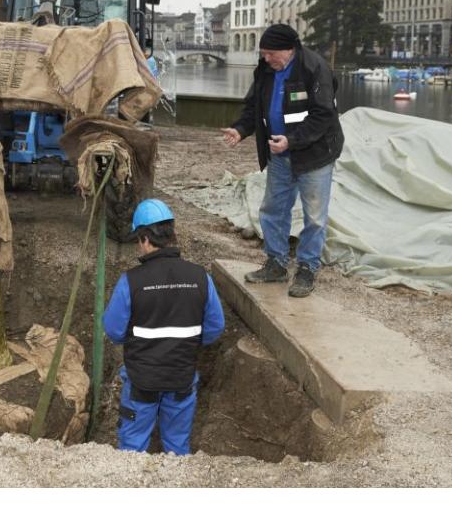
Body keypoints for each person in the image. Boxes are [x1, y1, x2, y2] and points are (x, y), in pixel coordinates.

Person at [222, 24, 344, 298]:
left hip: (315, 155)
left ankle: (307, 268)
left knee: (314, 216)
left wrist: (292, 141)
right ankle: (276, 263)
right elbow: (254, 106)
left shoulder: (314, 68)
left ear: (288, 50)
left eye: (269, 53)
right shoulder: (266, 70)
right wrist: (240, 129)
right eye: (262, 53)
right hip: (280, 154)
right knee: (273, 209)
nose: (265, 59)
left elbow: (323, 115)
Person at [102, 199, 225, 455]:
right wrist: (183, 343)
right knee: (177, 447)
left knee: (132, 448)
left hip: (141, 381)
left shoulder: (131, 282)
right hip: (181, 378)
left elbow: (113, 330)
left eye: (138, 240)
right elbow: (214, 327)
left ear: (145, 238)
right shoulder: (200, 277)